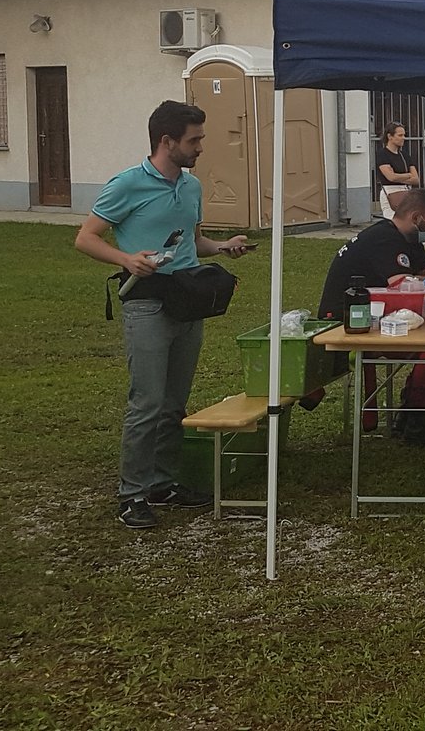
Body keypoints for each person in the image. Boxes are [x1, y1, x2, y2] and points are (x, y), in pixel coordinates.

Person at [74, 100, 254, 529]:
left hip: (187, 298)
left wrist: (225, 245)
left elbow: (193, 242)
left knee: (174, 401)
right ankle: (132, 493)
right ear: (167, 141)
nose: (201, 147)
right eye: (194, 140)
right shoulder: (127, 184)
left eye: (201, 139)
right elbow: (85, 238)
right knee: (147, 402)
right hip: (147, 302)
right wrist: (126, 258)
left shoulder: (190, 187)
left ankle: (163, 482)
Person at [314, 188, 425, 445]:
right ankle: (417, 419)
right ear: (415, 217)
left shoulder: (408, 239)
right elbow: (404, 284)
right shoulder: (385, 239)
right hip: (348, 320)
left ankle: (415, 411)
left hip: (377, 313)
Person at [376, 122, 419, 219]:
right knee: (394, 221)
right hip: (390, 192)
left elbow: (416, 179)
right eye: (400, 135)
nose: (403, 138)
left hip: (406, 191)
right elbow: (390, 177)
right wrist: (408, 175)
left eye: (404, 135)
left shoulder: (404, 155)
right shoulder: (382, 154)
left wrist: (397, 176)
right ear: (390, 136)